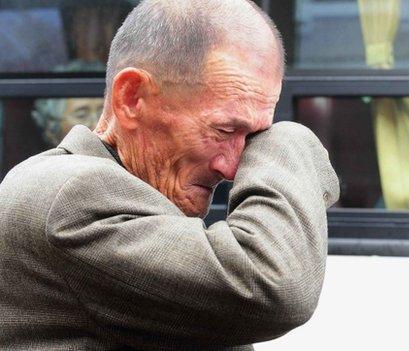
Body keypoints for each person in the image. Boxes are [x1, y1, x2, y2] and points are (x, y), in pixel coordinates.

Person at [0, 1, 339, 350]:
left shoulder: (126, 195)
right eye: (224, 130)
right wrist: (289, 138)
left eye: (253, 138)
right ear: (132, 98)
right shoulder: (73, 195)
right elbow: (274, 285)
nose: (234, 169)